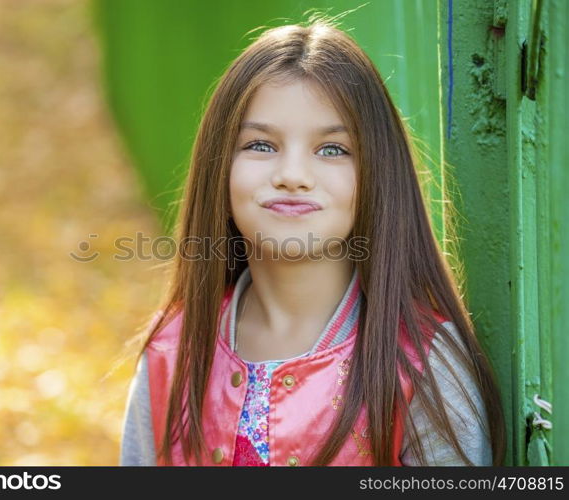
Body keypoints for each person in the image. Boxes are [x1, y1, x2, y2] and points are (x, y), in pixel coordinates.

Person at [118, 17, 506, 466]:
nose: (293, 176)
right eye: (261, 145)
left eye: (332, 150)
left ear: (376, 175)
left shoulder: (422, 366)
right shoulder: (173, 350)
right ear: (218, 167)